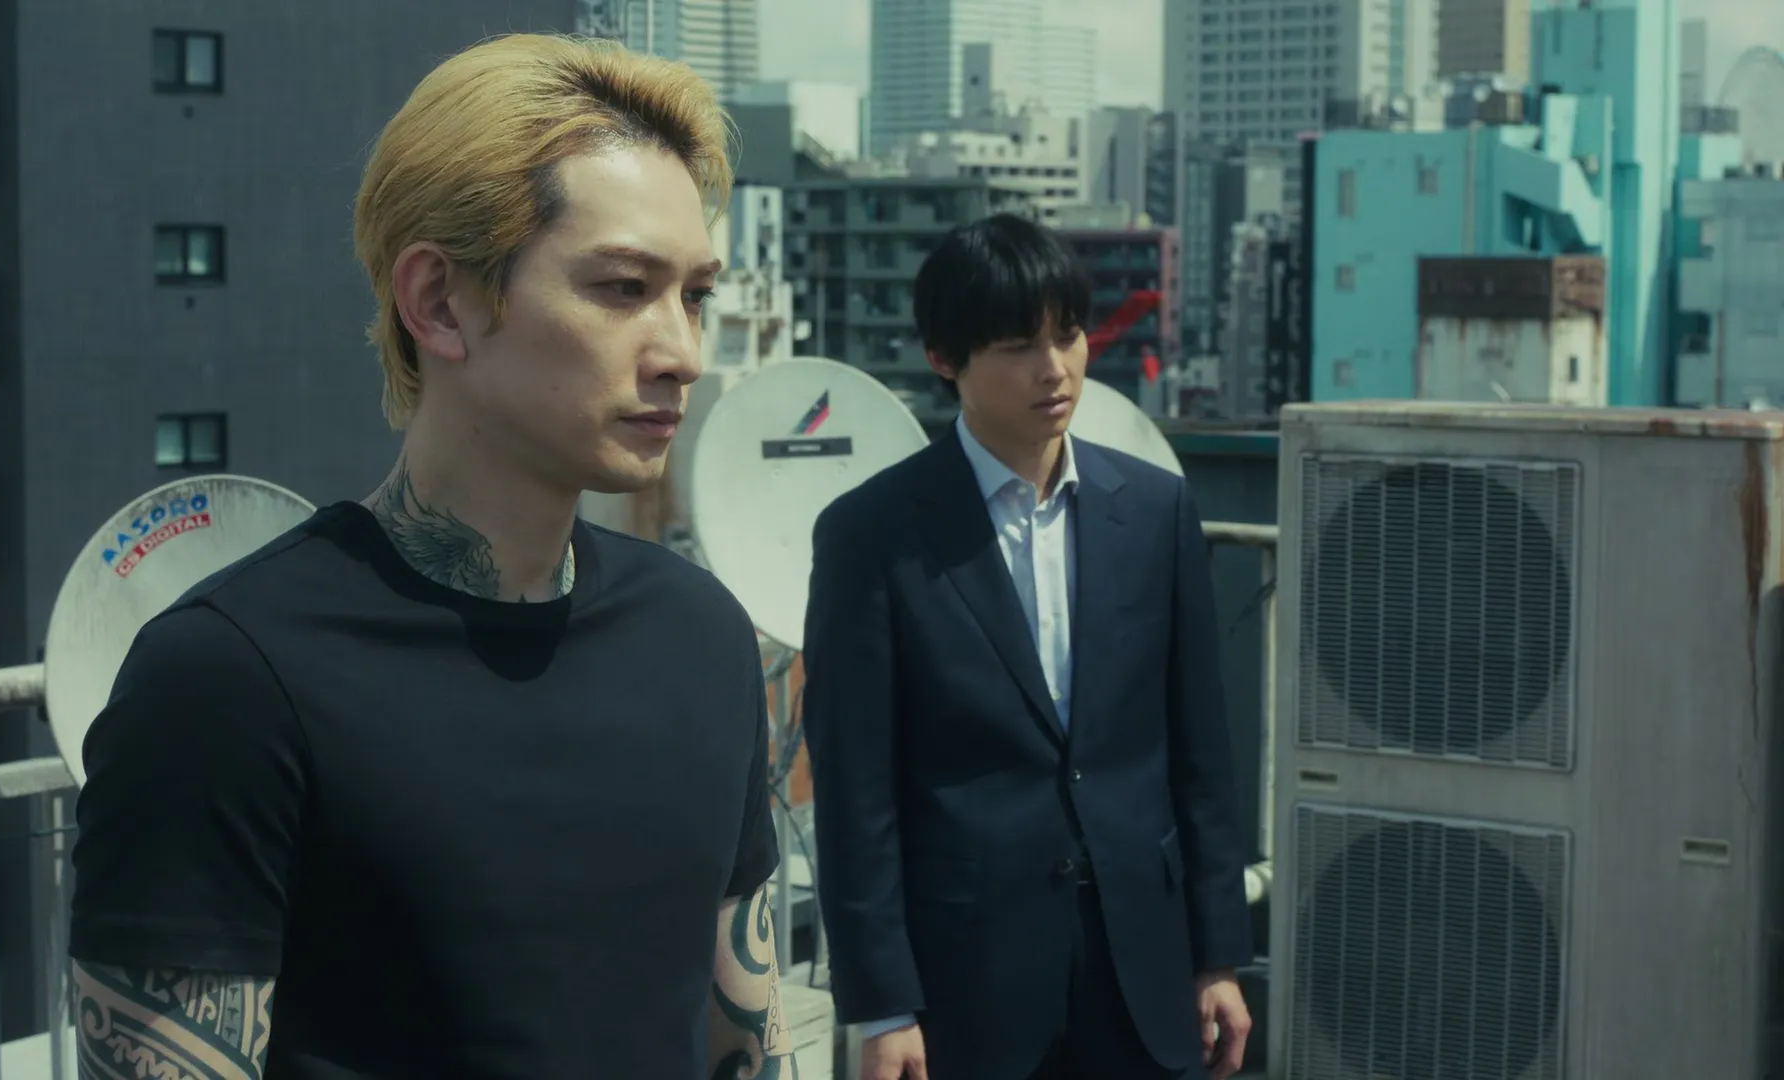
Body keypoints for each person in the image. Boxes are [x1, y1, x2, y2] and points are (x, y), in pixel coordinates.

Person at [67, 34, 794, 1080]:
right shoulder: (227, 681)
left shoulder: (701, 637)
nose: (683, 351)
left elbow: (746, 1044)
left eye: (695, 296)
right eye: (623, 287)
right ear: (439, 302)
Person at [802, 213, 1254, 1080]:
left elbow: (1200, 755)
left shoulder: (1155, 510)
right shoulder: (873, 536)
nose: (1056, 368)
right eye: (1018, 345)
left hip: (1143, 971)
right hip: (968, 984)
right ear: (944, 358)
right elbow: (858, 791)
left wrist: (1218, 956)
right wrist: (884, 1006)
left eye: (1069, 334)